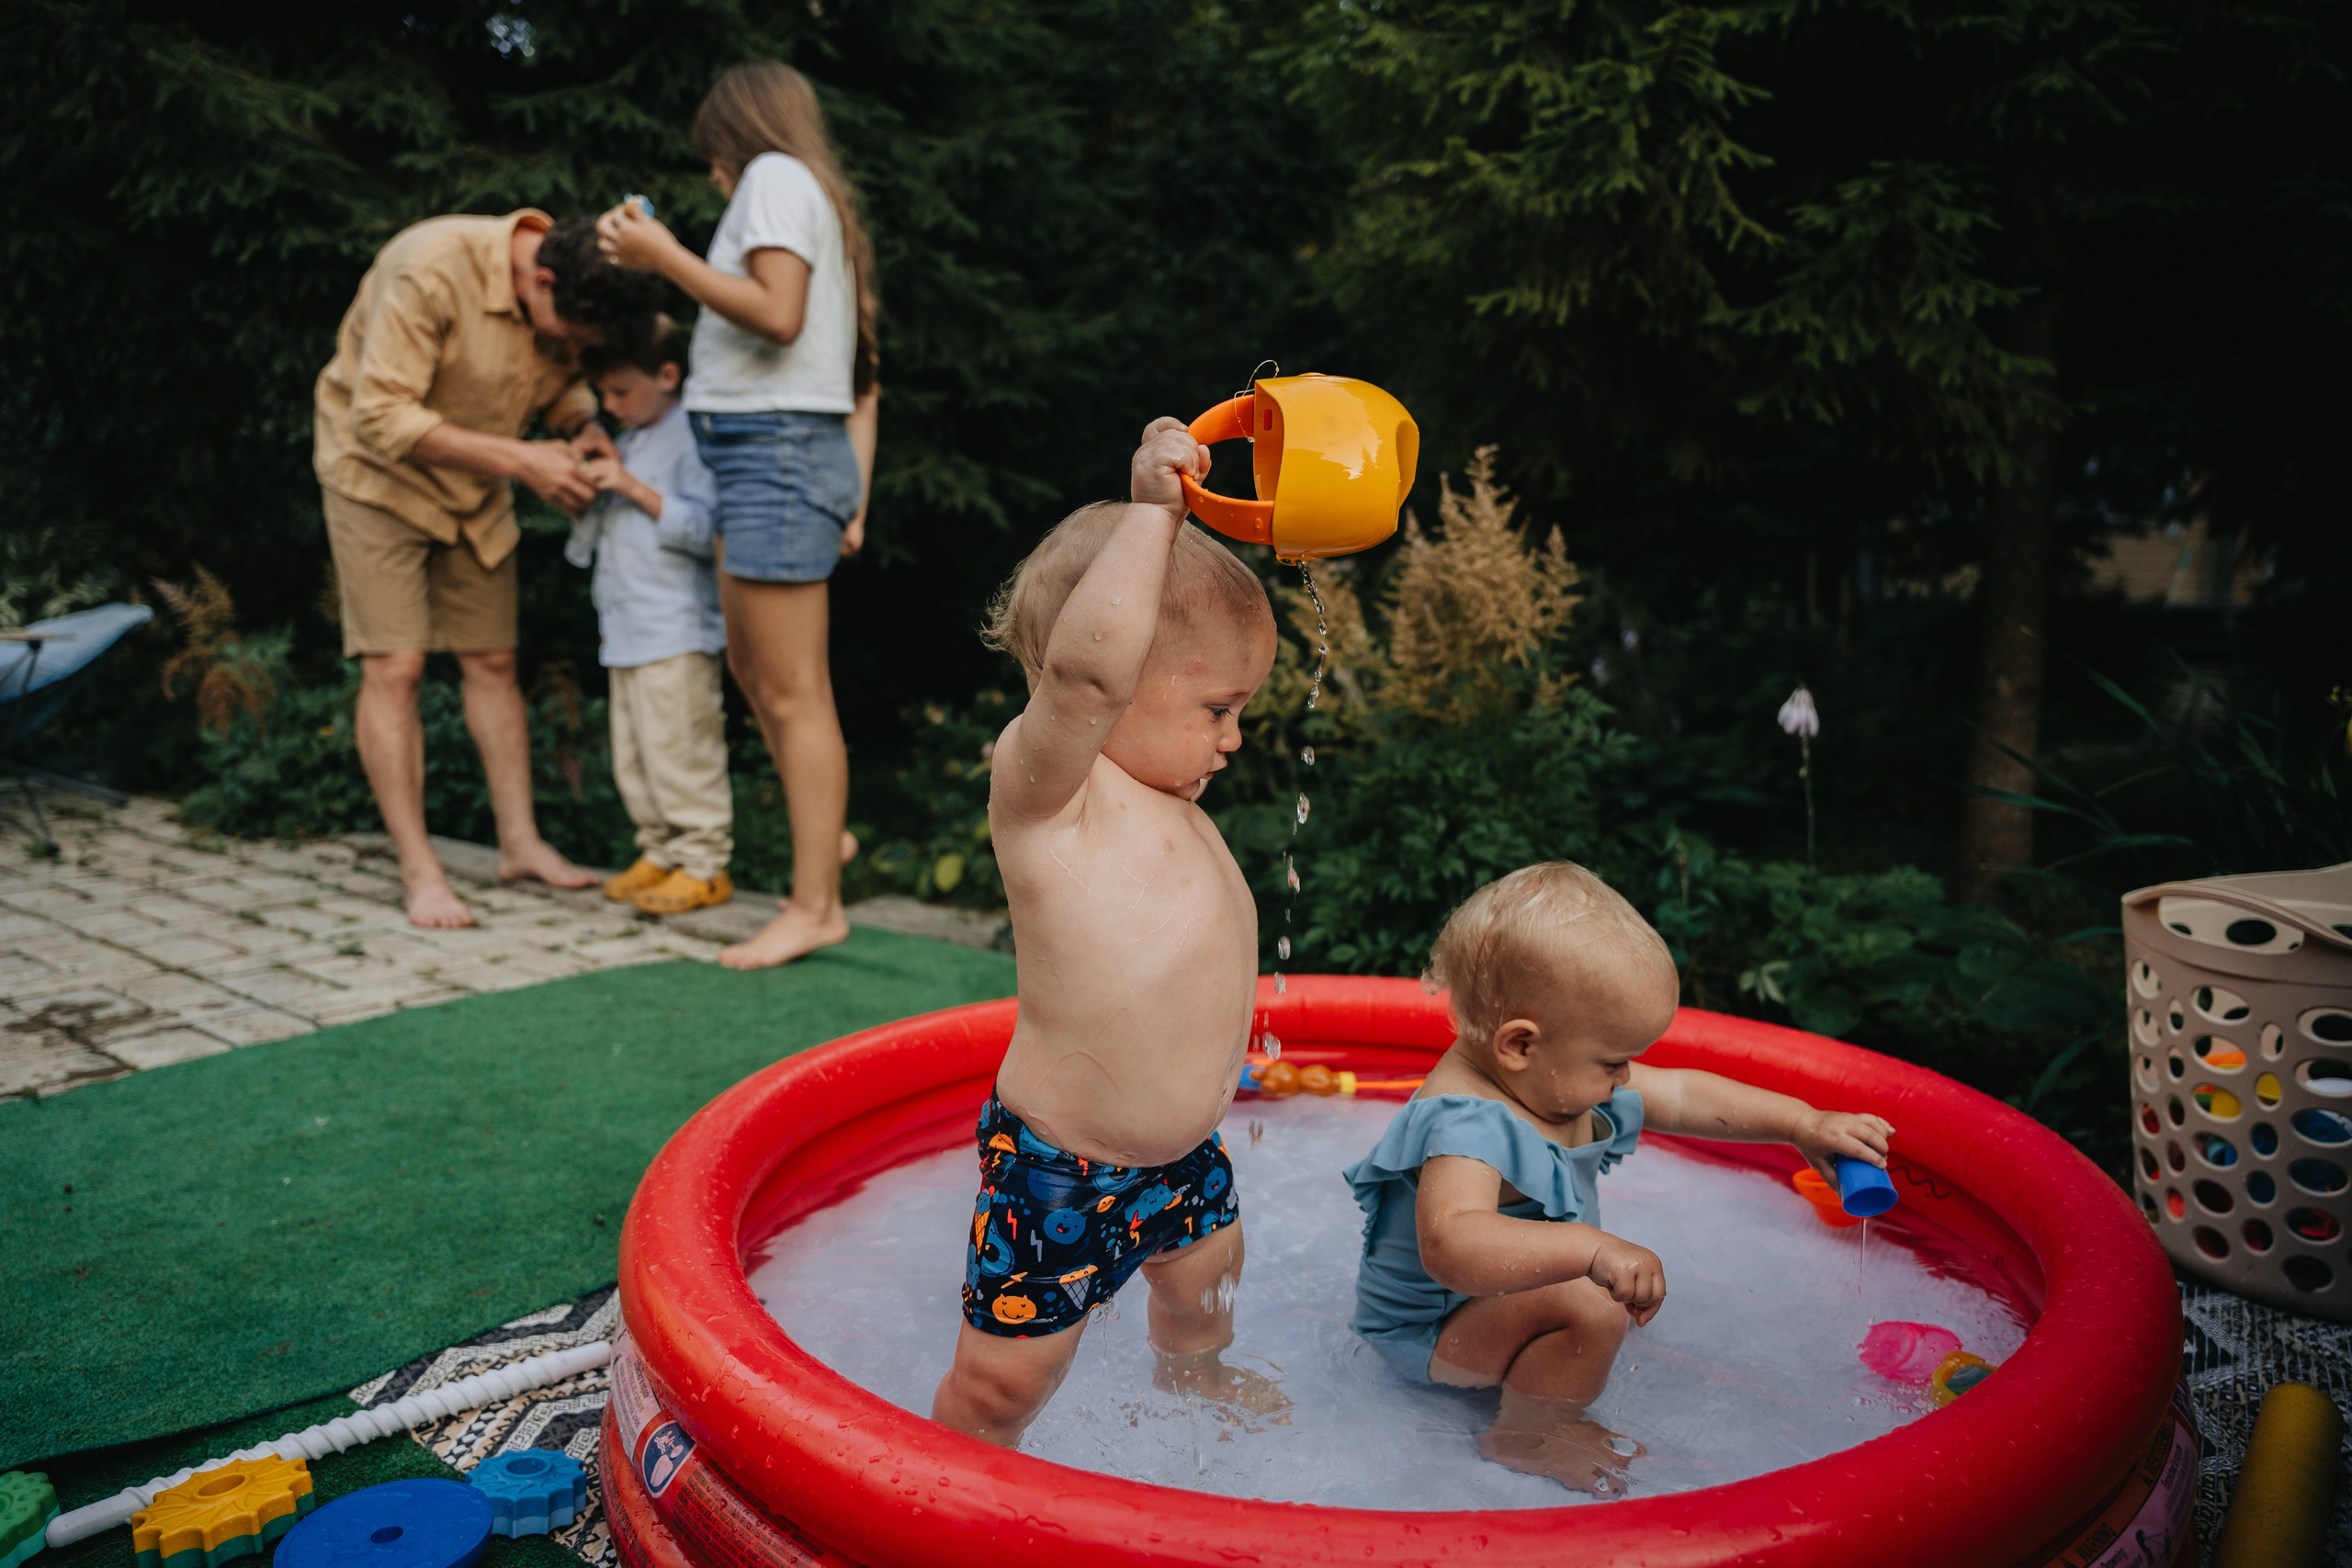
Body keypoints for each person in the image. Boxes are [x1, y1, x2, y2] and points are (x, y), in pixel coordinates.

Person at [927, 420, 1287, 1449]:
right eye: (1219, 707)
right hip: (1065, 1169)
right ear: (1115, 680)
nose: (1235, 736)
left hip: (1184, 1157)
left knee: (1205, 1290)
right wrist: (1153, 515)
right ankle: (950, 1474)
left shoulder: (1174, 802)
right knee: (1008, 1379)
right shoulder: (1051, 799)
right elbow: (1084, 680)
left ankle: (1194, 1383)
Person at [1346, 863, 1897, 1497]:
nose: (1627, 1076)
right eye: (1614, 1061)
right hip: (1429, 1338)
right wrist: (1591, 1250)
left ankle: (1548, 1358)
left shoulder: (1554, 1077)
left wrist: (1801, 1123)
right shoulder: (1467, 1121)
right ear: (1520, 1044)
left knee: (1590, 1295)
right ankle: (1527, 1432)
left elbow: (1684, 1092)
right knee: (1591, 1298)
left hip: (1486, 1314)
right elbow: (1452, 1245)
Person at [595, 61, 879, 969]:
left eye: (710, 159)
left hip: (775, 454)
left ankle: (815, 907)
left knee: (793, 691)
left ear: (731, 135)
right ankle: (819, 834)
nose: (714, 177)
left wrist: (662, 255)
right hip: (753, 454)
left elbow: (778, 315)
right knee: (759, 673)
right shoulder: (798, 189)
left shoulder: (772, 179)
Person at [315, 210, 662, 929]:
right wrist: (523, 460)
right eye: (567, 336)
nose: (569, 350)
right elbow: (377, 417)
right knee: (397, 668)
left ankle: (520, 844)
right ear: (541, 282)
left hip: (472, 488)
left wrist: (579, 427)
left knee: (495, 659)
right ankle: (420, 869)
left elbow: (561, 378)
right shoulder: (429, 268)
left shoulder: (571, 286)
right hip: (376, 482)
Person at [565, 314, 734, 914]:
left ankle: (704, 860)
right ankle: (659, 849)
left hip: (677, 627)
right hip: (627, 627)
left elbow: (709, 527)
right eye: (603, 395)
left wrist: (632, 487)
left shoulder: (693, 435)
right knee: (635, 752)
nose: (609, 406)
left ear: (667, 374)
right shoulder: (630, 438)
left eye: (620, 392)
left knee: (681, 746)